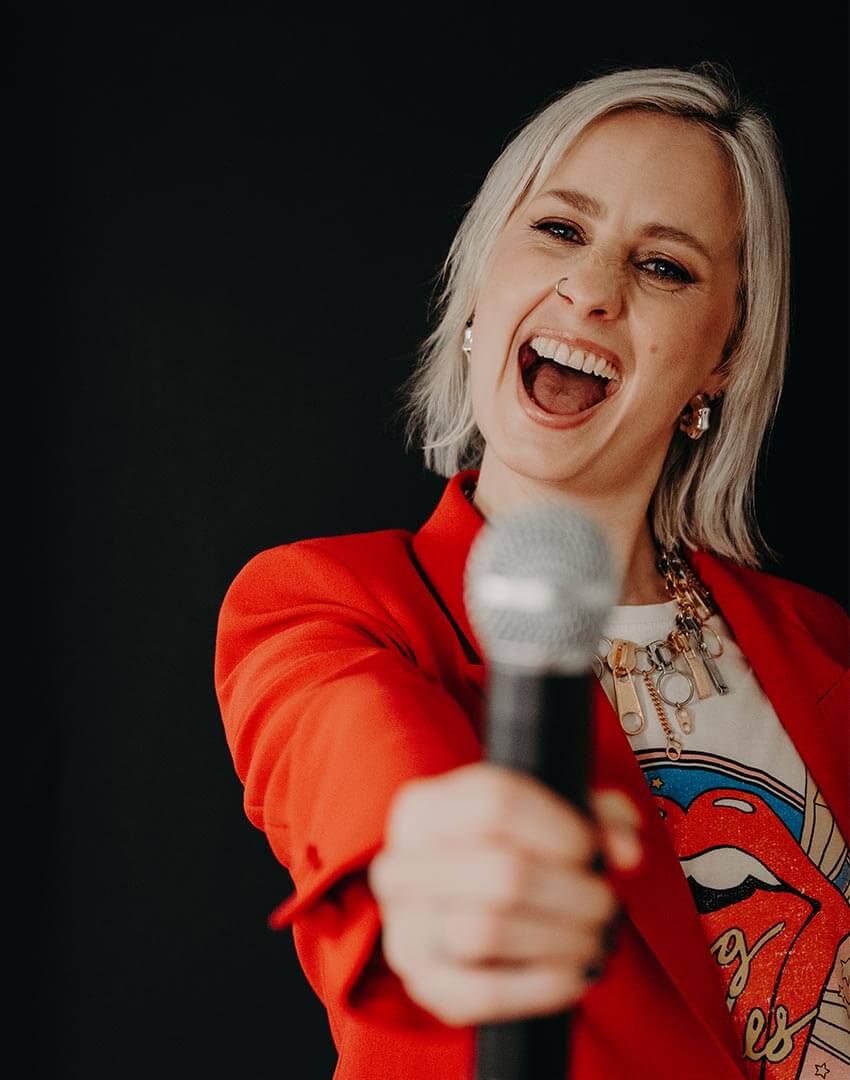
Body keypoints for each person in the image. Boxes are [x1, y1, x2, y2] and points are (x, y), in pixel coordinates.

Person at [213, 61, 850, 1080]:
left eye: (663, 267)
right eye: (560, 229)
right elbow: (351, 760)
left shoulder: (819, 641)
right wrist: (426, 872)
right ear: (479, 286)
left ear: (721, 356)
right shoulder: (329, 606)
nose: (591, 290)